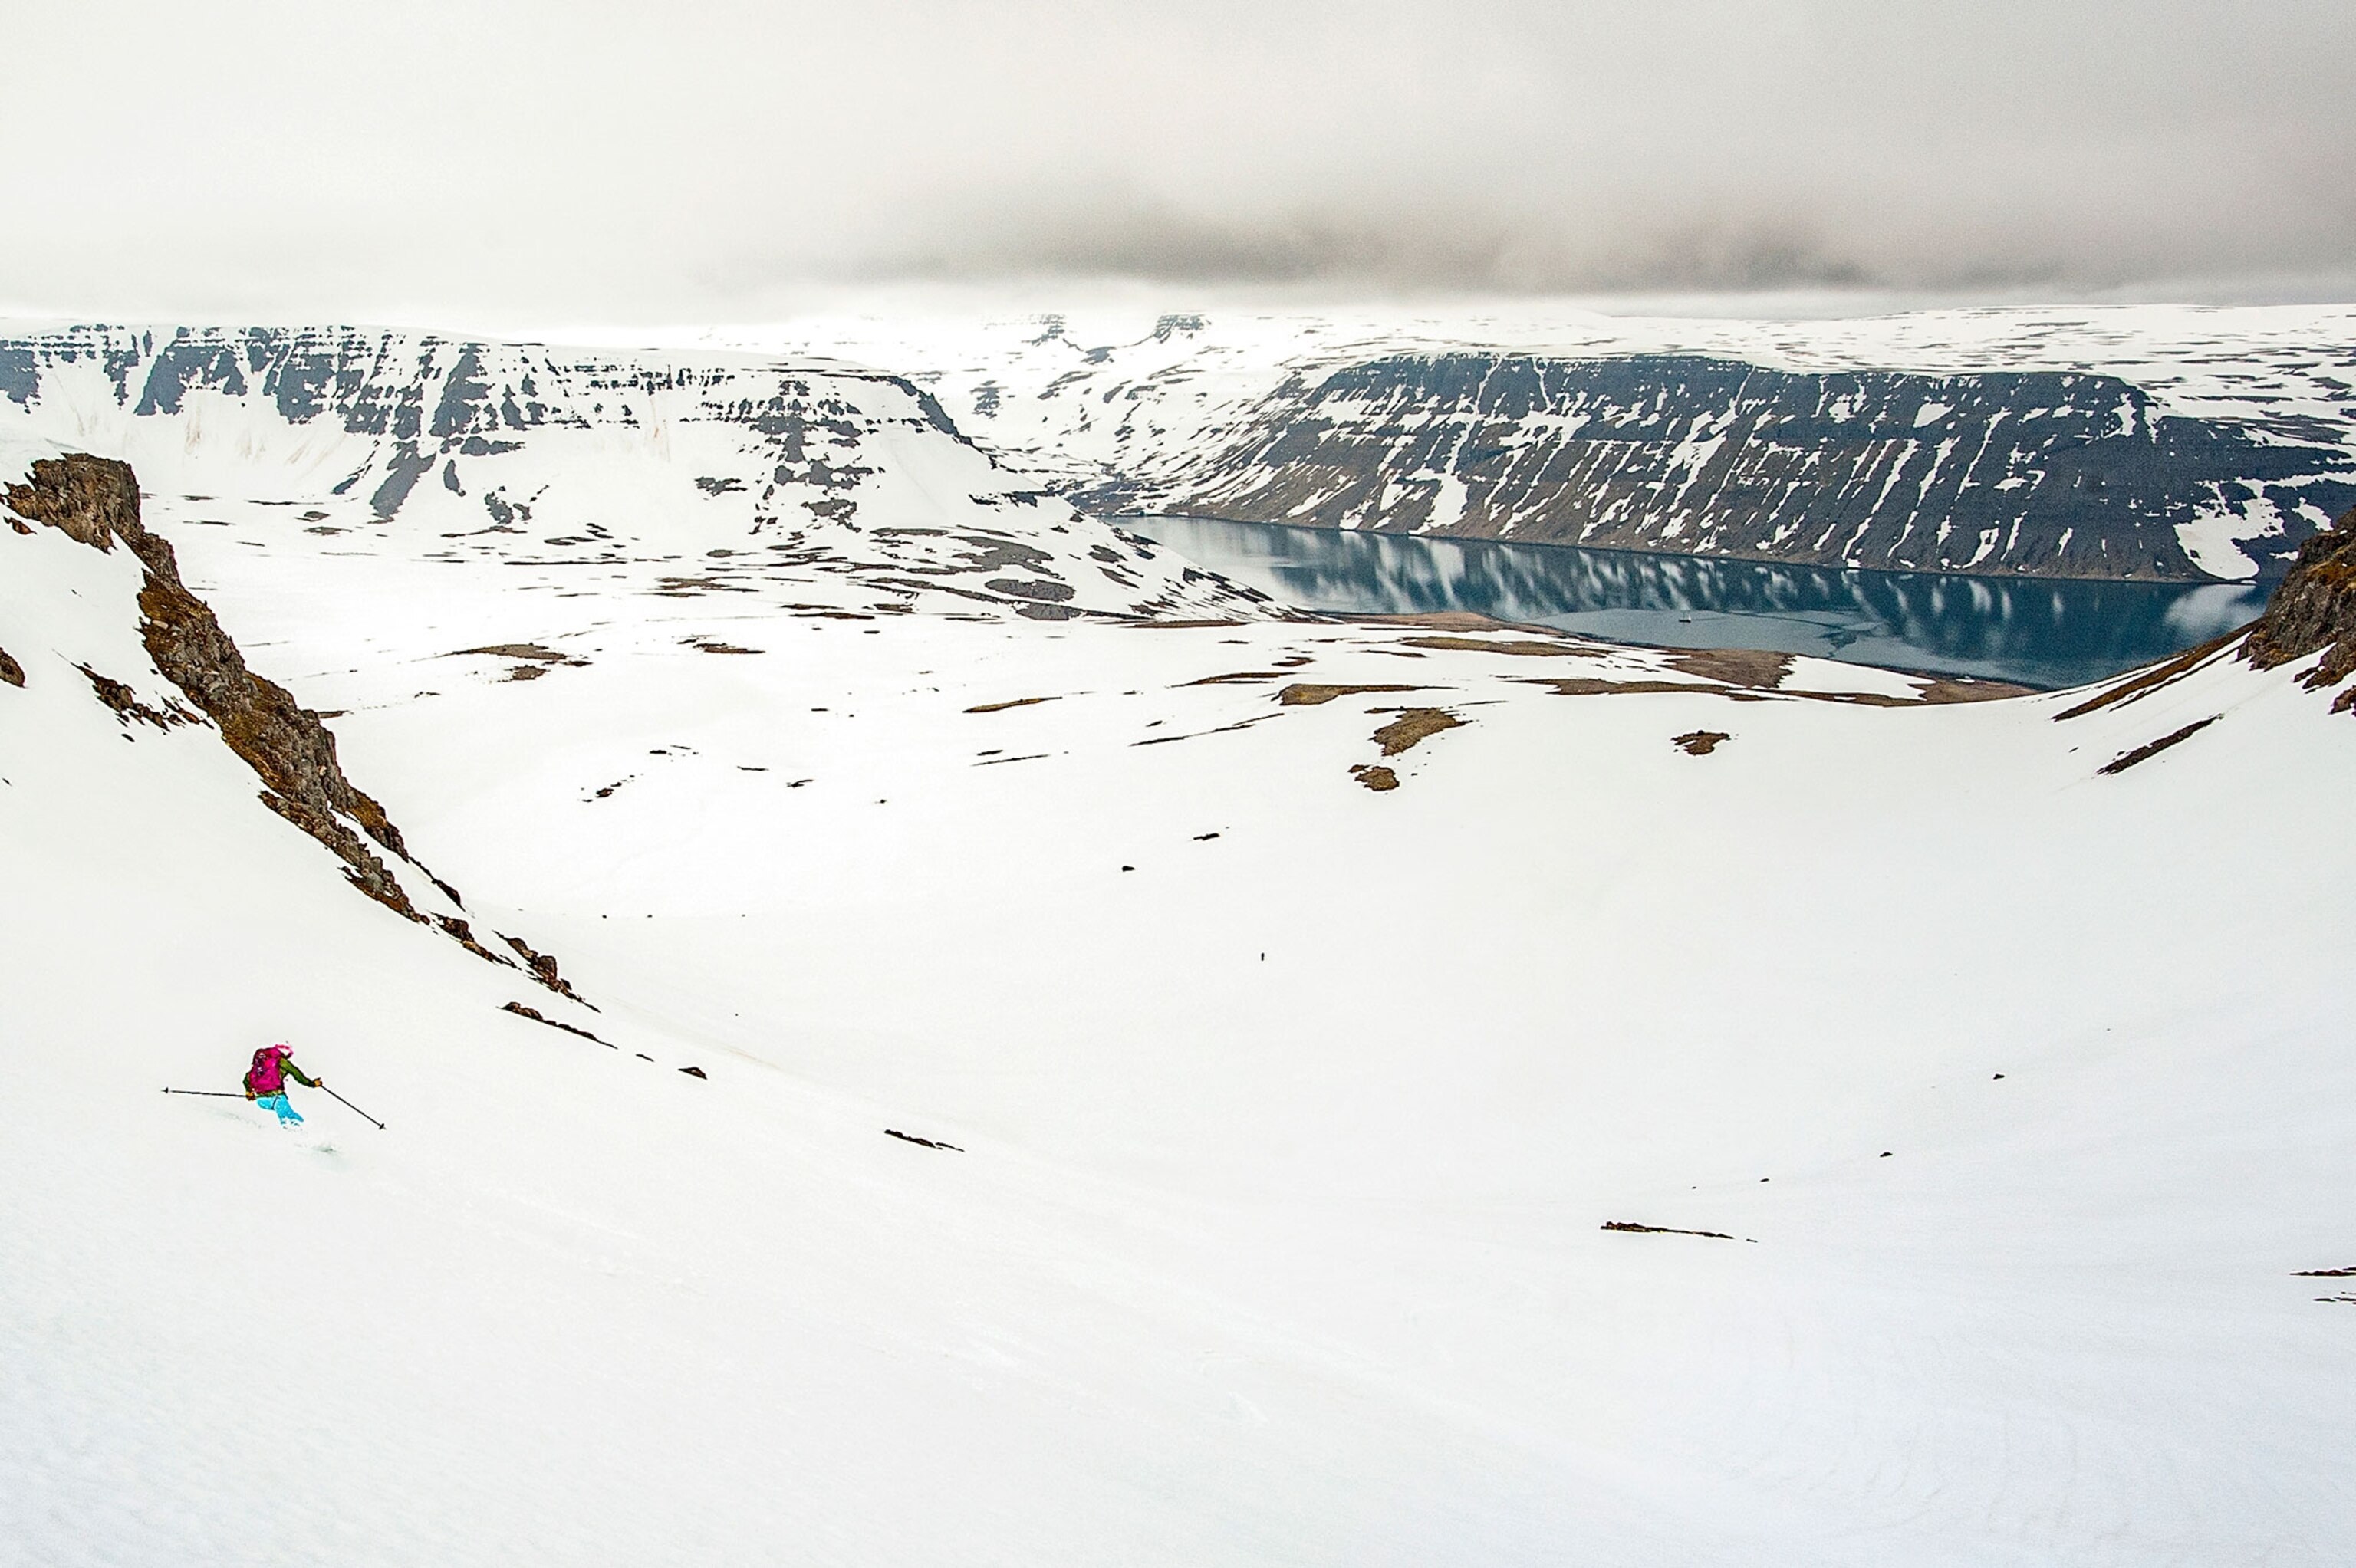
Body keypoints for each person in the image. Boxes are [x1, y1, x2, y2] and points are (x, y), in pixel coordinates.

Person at [244, 1043, 324, 1126]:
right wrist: (312, 1084)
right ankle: (309, 1132)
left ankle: (304, 1132)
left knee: (287, 1117)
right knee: (290, 1121)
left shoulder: (258, 1066)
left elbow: (246, 1079)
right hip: (277, 1098)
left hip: (261, 1101)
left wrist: (249, 1091)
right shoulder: (281, 1062)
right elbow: (297, 1074)